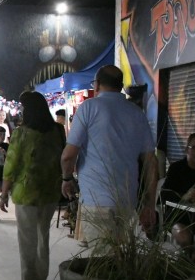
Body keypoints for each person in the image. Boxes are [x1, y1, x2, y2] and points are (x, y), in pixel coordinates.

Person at [61, 65, 157, 244]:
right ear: (120, 86)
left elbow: (68, 155)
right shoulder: (137, 113)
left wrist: (67, 179)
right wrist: (149, 205)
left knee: (98, 263)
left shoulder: (89, 107)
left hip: (95, 200)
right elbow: (151, 161)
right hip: (127, 202)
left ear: (96, 85)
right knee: (119, 262)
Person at [0, 91, 66, 280]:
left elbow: (11, 164)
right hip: (50, 191)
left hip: (26, 191)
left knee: (27, 241)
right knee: (42, 238)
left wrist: (3, 193)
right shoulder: (58, 130)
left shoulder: (21, 133)